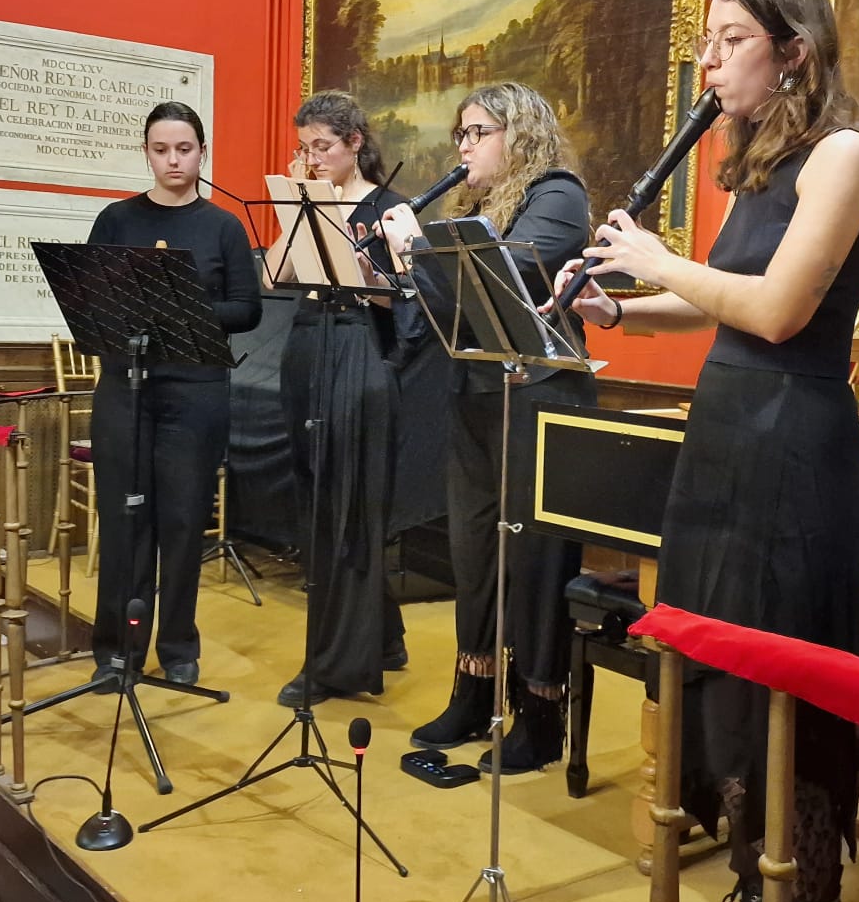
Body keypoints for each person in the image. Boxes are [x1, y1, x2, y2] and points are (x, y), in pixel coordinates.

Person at [561, 0, 859, 902]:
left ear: (794, 50)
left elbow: (780, 311)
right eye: (706, 41)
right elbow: (715, 306)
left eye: (729, 40)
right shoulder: (763, 167)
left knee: (785, 684)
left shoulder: (844, 155)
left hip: (792, 443)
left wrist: (655, 258)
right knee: (729, 688)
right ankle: (758, 899)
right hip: (728, 435)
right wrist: (614, 306)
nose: (707, 61)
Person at [381, 82, 593, 773]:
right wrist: (396, 269)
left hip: (542, 400)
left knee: (533, 559)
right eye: (461, 134)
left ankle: (539, 715)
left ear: (519, 134)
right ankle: (473, 692)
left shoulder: (558, 195)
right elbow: (447, 312)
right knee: (474, 551)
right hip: (477, 394)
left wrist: (418, 250)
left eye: (478, 132)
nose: (464, 146)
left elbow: (510, 283)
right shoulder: (474, 209)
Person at [87, 100, 262, 686]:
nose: (173, 160)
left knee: (184, 523)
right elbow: (90, 298)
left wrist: (180, 306)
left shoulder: (223, 226)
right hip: (125, 391)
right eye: (161, 150)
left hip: (195, 393)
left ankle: (180, 646)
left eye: (184, 149)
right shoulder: (116, 220)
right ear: (146, 153)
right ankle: (117, 651)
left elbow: (247, 309)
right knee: (124, 521)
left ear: (202, 153)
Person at [276, 92, 413, 707]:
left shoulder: (390, 209)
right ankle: (384, 638)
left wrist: (365, 272)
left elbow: (407, 299)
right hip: (309, 345)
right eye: (305, 147)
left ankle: (334, 664)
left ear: (355, 143)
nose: (313, 158)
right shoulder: (309, 202)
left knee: (347, 509)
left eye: (323, 146)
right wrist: (297, 207)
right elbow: (276, 275)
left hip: (360, 350)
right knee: (317, 502)